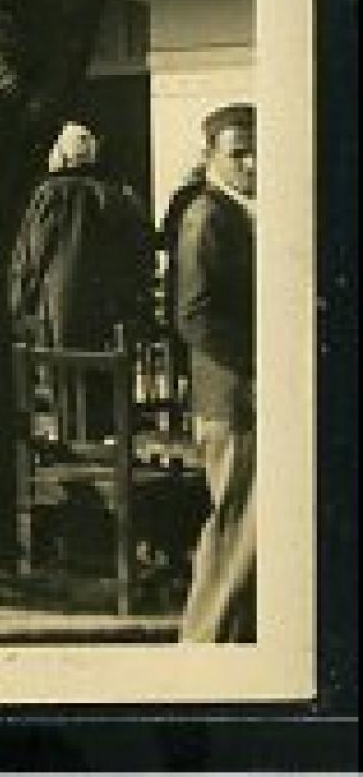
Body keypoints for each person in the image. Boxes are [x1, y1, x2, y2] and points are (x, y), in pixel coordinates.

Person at [6, 122, 156, 442]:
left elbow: (33, 253)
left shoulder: (51, 195)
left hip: (64, 303)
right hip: (111, 304)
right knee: (103, 377)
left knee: (67, 374)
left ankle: (73, 441)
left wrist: (20, 299)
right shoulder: (118, 195)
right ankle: (103, 442)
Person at [175, 103, 258, 643]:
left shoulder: (237, 213)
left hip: (239, 393)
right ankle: (202, 645)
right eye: (238, 154)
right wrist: (255, 371)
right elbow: (195, 314)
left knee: (248, 529)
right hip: (231, 398)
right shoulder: (207, 217)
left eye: (256, 152)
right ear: (210, 157)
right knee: (235, 527)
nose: (251, 164)